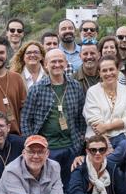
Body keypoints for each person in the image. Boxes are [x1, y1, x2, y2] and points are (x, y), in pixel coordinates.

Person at [22, 47, 86, 182]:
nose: (57, 65)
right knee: (48, 185)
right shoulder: (36, 89)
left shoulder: (75, 87)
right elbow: (26, 119)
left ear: (66, 63)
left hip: (71, 146)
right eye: (53, 62)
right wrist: (32, 145)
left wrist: (79, 142)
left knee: (70, 184)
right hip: (46, 148)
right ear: (45, 64)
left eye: (60, 61)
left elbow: (81, 119)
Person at [83, 56, 126, 146]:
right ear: (99, 73)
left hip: (122, 138)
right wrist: (106, 145)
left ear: (118, 70)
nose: (108, 73)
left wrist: (106, 127)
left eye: (111, 69)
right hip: (97, 139)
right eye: (104, 70)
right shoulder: (92, 92)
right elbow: (94, 121)